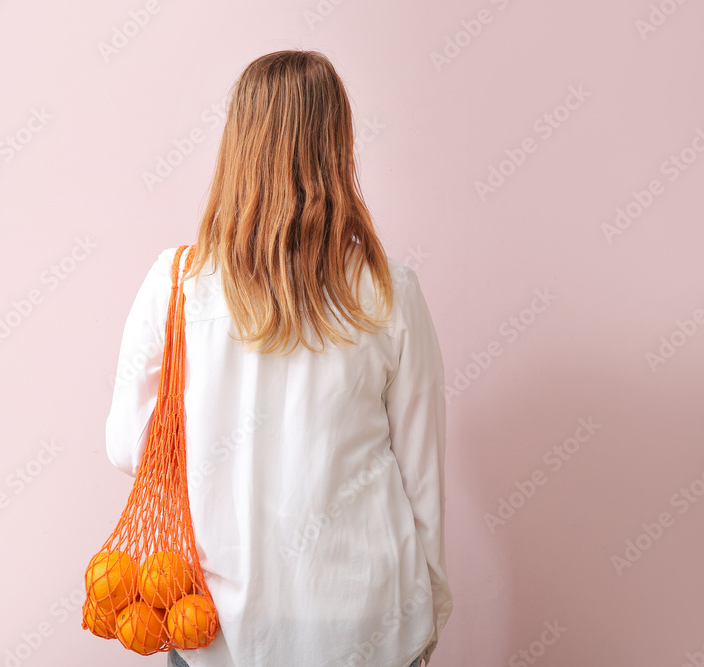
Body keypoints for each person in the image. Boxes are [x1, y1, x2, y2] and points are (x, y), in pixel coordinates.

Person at [105, 49, 452, 667]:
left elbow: (128, 446)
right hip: (367, 616)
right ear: (338, 147)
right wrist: (432, 608)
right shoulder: (391, 291)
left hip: (215, 620)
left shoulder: (177, 284)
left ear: (238, 145)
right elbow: (421, 474)